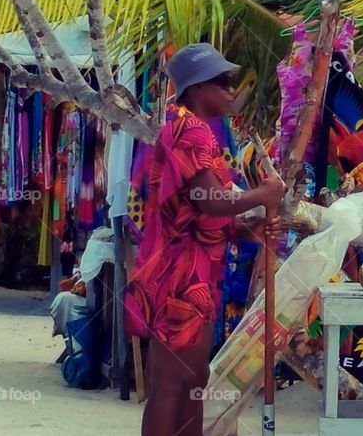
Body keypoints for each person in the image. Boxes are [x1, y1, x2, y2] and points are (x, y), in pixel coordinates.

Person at [124, 43, 284, 436]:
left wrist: (249, 228)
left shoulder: (193, 130)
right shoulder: (190, 129)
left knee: (192, 380)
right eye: (222, 81)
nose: (231, 89)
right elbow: (211, 200)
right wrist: (262, 196)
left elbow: (197, 211)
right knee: (174, 383)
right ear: (196, 88)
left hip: (191, 270)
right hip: (181, 272)